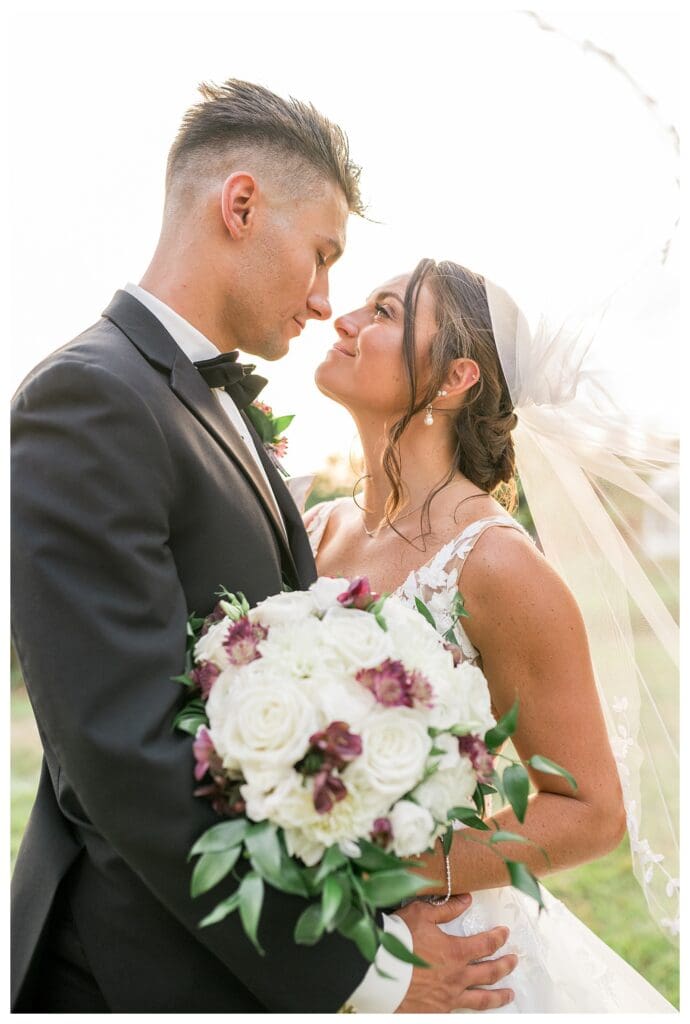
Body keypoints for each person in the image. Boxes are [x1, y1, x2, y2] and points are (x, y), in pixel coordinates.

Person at [10, 81, 518, 1013]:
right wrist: (365, 968)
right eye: (322, 255)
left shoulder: (207, 403)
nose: (327, 301)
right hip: (137, 970)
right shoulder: (88, 399)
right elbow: (118, 746)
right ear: (239, 206)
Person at [306, 258, 678, 1012]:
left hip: (451, 952)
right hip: (317, 941)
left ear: (454, 379)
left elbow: (590, 809)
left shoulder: (499, 565)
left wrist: (403, 872)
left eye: (381, 311)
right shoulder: (315, 526)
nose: (343, 321)